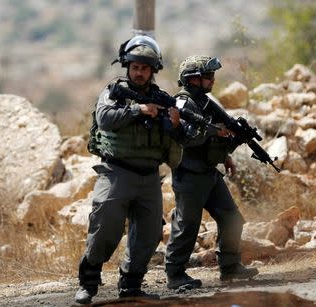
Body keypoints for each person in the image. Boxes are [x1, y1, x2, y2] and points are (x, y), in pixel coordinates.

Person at [75, 35, 182, 304]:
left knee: (147, 234)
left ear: (152, 70)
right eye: (135, 67)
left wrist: (176, 123)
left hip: (149, 177)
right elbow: (105, 118)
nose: (139, 72)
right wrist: (138, 110)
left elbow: (181, 142)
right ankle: (88, 283)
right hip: (116, 172)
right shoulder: (114, 92)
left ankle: (131, 286)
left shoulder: (164, 100)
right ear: (127, 67)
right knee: (105, 228)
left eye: (145, 68)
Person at [165, 55, 259, 290]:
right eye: (208, 76)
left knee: (232, 218)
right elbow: (186, 138)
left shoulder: (205, 102)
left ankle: (230, 267)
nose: (213, 79)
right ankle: (175, 274)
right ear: (193, 80)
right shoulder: (184, 104)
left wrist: (227, 152)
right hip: (189, 175)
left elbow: (212, 139)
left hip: (208, 172)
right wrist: (213, 132)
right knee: (187, 225)